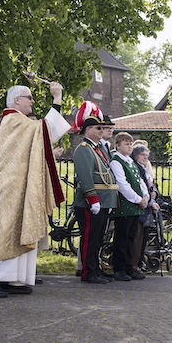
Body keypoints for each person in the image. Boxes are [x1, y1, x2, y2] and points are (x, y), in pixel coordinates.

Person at [0, 82, 70, 296]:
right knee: (6, 229)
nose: (32, 101)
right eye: (29, 98)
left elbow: (41, 136)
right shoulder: (13, 119)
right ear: (16, 100)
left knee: (18, 228)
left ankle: (10, 278)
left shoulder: (18, 120)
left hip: (17, 184)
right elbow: (45, 131)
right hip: (10, 187)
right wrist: (57, 99)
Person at [71, 101, 118, 284]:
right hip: (91, 202)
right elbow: (85, 176)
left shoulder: (96, 149)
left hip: (103, 201)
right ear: (89, 129)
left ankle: (95, 269)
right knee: (90, 239)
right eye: (99, 128)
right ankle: (88, 272)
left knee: (98, 239)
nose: (101, 130)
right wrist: (93, 199)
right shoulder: (84, 149)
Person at [110, 132, 150, 281]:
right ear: (117, 146)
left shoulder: (130, 162)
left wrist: (145, 196)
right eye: (126, 144)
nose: (129, 147)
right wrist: (138, 199)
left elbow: (140, 181)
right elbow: (122, 185)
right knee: (122, 238)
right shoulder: (116, 161)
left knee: (131, 238)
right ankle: (119, 268)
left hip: (135, 206)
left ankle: (129, 267)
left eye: (130, 144)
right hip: (124, 206)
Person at [130, 143, 160, 271]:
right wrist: (150, 201)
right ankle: (134, 265)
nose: (145, 157)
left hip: (148, 205)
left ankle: (139, 262)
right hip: (141, 206)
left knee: (143, 237)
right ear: (136, 155)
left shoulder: (144, 168)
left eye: (147, 155)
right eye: (142, 154)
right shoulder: (137, 167)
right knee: (137, 237)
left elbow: (151, 185)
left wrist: (154, 194)